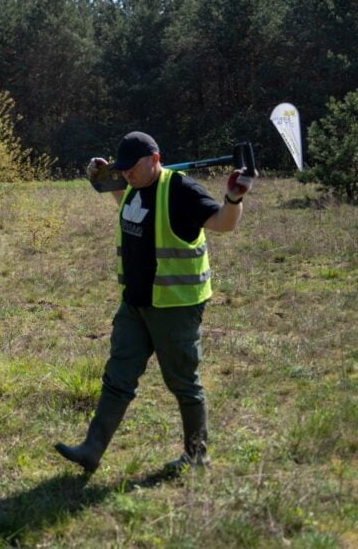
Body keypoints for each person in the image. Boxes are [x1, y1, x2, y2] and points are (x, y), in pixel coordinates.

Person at [55, 131, 254, 474]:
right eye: (123, 168)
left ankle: (196, 456)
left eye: (132, 167)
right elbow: (125, 202)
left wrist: (234, 198)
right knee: (118, 376)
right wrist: (102, 175)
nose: (127, 174)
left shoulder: (182, 190)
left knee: (183, 383)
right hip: (135, 304)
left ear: (155, 160)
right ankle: (91, 450)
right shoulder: (133, 185)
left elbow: (222, 223)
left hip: (174, 307)